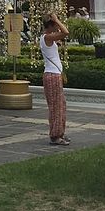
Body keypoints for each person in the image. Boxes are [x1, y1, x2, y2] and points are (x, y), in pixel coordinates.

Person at [40, 11, 70, 146]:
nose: (57, 28)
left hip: (54, 74)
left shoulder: (48, 38)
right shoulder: (47, 37)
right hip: (52, 75)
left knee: (61, 105)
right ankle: (55, 135)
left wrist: (55, 20)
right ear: (50, 26)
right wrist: (57, 20)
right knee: (55, 107)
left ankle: (60, 132)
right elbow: (65, 32)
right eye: (54, 26)